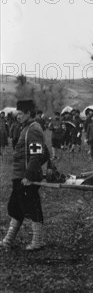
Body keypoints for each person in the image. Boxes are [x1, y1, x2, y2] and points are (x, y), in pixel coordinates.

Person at [1, 99, 47, 251]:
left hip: (26, 177)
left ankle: (38, 241)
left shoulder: (34, 129)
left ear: (28, 113)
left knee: (31, 207)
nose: (18, 116)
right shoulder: (25, 128)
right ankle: (8, 240)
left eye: (20, 113)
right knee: (15, 207)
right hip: (19, 176)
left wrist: (29, 176)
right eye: (17, 113)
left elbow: (37, 155)